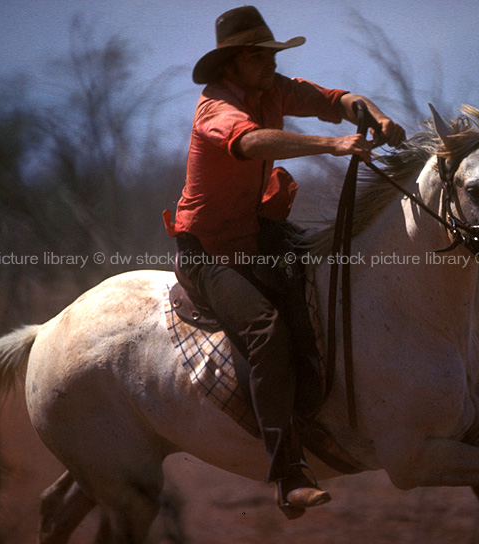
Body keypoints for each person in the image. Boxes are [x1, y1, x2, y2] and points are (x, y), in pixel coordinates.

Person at [164, 5, 405, 518]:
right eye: (261, 56)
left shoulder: (274, 89)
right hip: (208, 252)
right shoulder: (215, 110)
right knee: (266, 329)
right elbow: (250, 142)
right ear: (233, 63)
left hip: (257, 233)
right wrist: (332, 144)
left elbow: (337, 100)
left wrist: (376, 116)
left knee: (321, 288)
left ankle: (322, 413)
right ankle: (288, 474)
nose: (271, 64)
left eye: (273, 54)